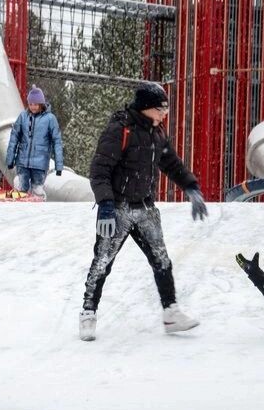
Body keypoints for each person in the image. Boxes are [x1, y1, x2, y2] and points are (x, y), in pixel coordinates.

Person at [79, 81, 209, 341]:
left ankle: (171, 312)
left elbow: (171, 163)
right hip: (117, 209)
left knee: (161, 260)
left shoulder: (156, 132)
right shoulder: (120, 130)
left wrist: (191, 187)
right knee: (103, 262)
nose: (164, 114)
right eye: (161, 109)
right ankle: (88, 312)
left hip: (146, 208)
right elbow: (99, 170)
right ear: (147, 107)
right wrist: (105, 205)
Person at [5, 85, 63, 199]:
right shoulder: (23, 117)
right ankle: (21, 212)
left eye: (36, 104)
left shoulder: (50, 119)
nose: (33, 107)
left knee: (37, 189)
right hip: (22, 162)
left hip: (40, 164)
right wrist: (10, 159)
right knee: (22, 190)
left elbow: (57, 142)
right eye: (30, 104)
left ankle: (38, 206)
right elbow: (14, 138)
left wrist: (59, 166)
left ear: (41, 104)